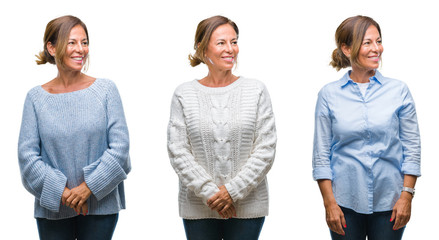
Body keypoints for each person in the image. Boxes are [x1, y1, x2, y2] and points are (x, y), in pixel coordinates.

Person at [18, 15, 131, 240]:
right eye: (72, 42)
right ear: (51, 47)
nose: (81, 49)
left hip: (100, 207)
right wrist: (62, 192)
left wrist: (88, 187)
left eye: (84, 42)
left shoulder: (106, 90)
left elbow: (120, 149)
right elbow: (27, 157)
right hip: (52, 209)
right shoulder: (35, 98)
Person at [167, 15, 276, 240]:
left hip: (247, 208)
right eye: (221, 43)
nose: (230, 49)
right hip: (199, 208)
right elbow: (178, 151)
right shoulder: (184, 94)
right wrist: (212, 193)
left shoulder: (255, 90)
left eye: (234, 42)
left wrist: (232, 192)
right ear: (201, 48)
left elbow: (266, 150)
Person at [312, 15, 421, 240]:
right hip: (344, 203)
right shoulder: (328, 95)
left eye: (378, 41)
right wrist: (329, 204)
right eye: (367, 42)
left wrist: (406, 196)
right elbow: (321, 155)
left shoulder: (399, 91)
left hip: (390, 202)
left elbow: (412, 148)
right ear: (346, 48)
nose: (376, 49)